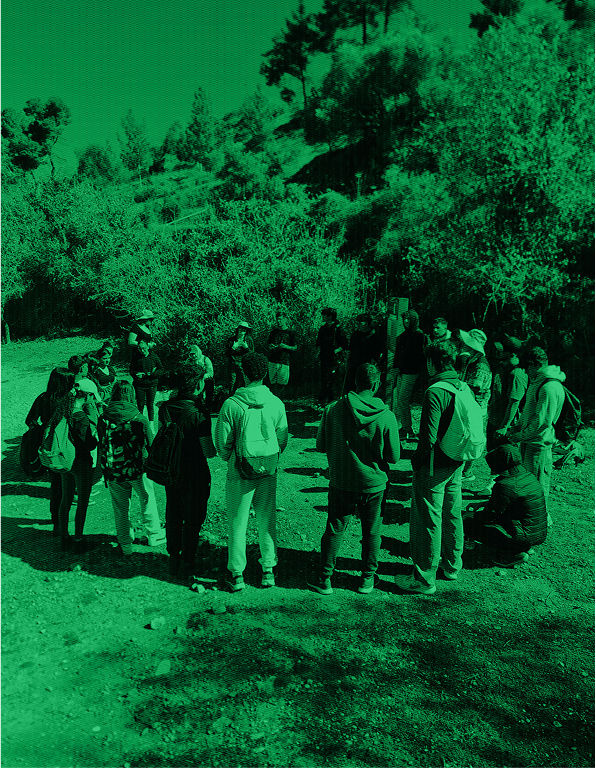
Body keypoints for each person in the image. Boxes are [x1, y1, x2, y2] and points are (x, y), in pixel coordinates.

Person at [309, 363, 400, 595]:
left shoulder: (333, 409)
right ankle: (367, 579)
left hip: (341, 481)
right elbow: (394, 457)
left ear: (355, 382)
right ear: (376, 384)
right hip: (374, 484)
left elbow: (320, 445)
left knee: (334, 528)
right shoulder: (386, 416)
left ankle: (324, 578)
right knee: (371, 531)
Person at [395, 340, 466, 595]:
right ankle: (452, 565)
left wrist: (417, 461)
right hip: (456, 461)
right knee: (452, 513)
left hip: (435, 465)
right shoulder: (461, 385)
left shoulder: (435, 391)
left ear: (430, 362)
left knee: (428, 518)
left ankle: (424, 578)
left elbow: (428, 436)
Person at [214, 352, 288, 591]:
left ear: (242, 373)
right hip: (268, 469)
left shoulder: (231, 404)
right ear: (265, 373)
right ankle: (268, 570)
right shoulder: (276, 402)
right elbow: (282, 437)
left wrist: (232, 458)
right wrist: (271, 458)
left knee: (237, 521)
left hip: (240, 469)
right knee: (267, 518)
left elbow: (222, 443)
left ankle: (237, 575)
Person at [159, 363, 214, 582]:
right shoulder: (200, 412)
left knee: (173, 511)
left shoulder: (165, 408)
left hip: (172, 469)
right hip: (195, 471)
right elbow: (208, 451)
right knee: (193, 517)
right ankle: (189, 562)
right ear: (198, 384)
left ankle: (173, 557)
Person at [99, 380, 165, 558]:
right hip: (138, 469)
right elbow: (151, 446)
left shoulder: (104, 418)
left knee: (120, 507)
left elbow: (101, 444)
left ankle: (125, 543)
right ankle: (154, 535)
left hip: (114, 470)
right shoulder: (139, 418)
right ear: (132, 395)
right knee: (147, 500)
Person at [509, 347, 566, 526]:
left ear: (534, 364)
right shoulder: (540, 383)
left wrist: (519, 435)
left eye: (527, 367)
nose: (526, 371)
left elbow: (542, 421)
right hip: (530, 441)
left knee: (538, 484)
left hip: (538, 444)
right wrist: (517, 428)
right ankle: (529, 515)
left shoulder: (549, 386)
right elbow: (530, 413)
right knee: (528, 482)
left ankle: (539, 520)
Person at [466, 443, 547, 567]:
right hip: (537, 534)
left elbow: (491, 516)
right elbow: (513, 504)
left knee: (468, 521)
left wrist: (470, 516)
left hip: (520, 537)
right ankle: (525, 547)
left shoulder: (505, 485)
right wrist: (484, 503)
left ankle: (512, 555)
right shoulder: (528, 476)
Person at [25, 367, 75, 533]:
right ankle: (64, 525)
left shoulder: (43, 398)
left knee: (55, 487)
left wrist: (43, 433)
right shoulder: (69, 399)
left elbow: (30, 420)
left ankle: (56, 522)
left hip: (49, 448)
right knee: (67, 487)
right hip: (66, 448)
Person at [56, 385, 99, 551]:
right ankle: (79, 538)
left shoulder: (64, 412)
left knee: (66, 498)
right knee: (82, 501)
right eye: (91, 396)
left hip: (66, 462)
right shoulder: (81, 417)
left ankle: (64, 536)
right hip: (81, 462)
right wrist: (95, 435)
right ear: (86, 396)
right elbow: (88, 444)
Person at [456, 329, 492, 482]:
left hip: (477, 406)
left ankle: (467, 471)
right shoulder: (471, 360)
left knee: (473, 437)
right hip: (471, 404)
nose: (462, 345)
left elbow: (475, 386)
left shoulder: (480, 365)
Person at [391, 309, 426, 440]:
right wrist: (396, 368)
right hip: (401, 372)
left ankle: (407, 429)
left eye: (408, 319)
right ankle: (403, 427)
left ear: (414, 320)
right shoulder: (403, 336)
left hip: (411, 372)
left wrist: (401, 367)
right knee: (397, 399)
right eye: (404, 319)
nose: (406, 321)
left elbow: (417, 358)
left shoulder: (419, 336)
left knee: (402, 400)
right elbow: (398, 355)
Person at [488, 338, 529, 447]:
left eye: (503, 350)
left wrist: (504, 427)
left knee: (505, 455)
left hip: (507, 425)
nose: (498, 352)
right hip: (495, 419)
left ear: (513, 354)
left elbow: (514, 402)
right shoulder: (502, 368)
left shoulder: (516, 374)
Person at [316, 308, 348, 405]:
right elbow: (318, 343)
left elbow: (345, 344)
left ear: (330, 316)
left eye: (324, 315)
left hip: (335, 360)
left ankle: (333, 403)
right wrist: (317, 353)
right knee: (324, 380)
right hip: (324, 358)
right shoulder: (323, 328)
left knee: (333, 381)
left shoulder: (338, 328)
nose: (322, 317)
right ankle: (323, 403)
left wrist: (335, 351)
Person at [343, 314, 381, 394]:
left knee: (363, 391)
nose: (359, 324)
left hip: (365, 370)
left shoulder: (375, 337)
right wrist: (347, 363)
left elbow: (377, 356)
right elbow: (350, 350)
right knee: (349, 389)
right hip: (353, 366)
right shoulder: (355, 334)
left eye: (361, 322)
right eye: (358, 322)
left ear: (367, 323)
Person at [131, 339, 162, 423]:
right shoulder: (136, 358)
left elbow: (161, 369)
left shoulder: (154, 357)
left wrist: (151, 374)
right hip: (139, 385)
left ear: (148, 347)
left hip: (151, 384)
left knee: (150, 404)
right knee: (140, 404)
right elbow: (131, 370)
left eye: (144, 348)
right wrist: (137, 375)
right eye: (140, 349)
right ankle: (140, 422)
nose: (142, 350)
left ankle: (151, 424)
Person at [266, 311, 298, 394]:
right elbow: (268, 345)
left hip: (284, 361)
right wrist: (271, 346)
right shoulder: (273, 332)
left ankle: (280, 402)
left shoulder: (291, 332)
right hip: (272, 361)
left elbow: (295, 347)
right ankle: (273, 402)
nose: (278, 321)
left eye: (280, 319)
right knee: (272, 383)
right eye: (277, 319)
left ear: (285, 319)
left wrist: (285, 346)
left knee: (282, 384)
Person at [226, 321, 254, 395]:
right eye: (241, 329)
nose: (243, 330)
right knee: (232, 383)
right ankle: (231, 400)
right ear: (237, 329)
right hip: (233, 365)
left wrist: (246, 347)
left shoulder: (249, 340)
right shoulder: (231, 340)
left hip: (244, 365)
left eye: (245, 329)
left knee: (245, 383)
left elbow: (252, 355)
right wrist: (234, 347)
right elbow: (227, 354)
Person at [188, 345, 215, 409]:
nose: (193, 356)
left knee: (209, 382)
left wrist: (202, 377)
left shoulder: (205, 359)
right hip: (193, 380)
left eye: (194, 354)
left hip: (204, 379)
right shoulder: (189, 361)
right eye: (191, 354)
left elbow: (210, 372)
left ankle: (208, 406)